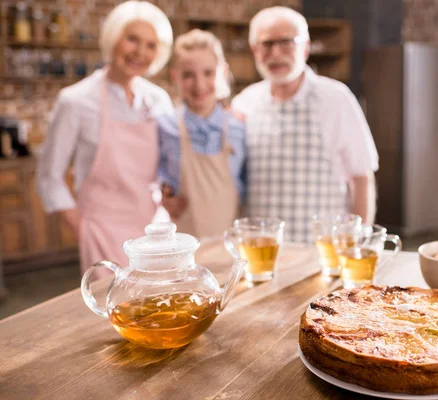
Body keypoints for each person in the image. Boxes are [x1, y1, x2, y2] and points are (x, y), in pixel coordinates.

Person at [36, 1, 174, 274]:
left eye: (150, 45)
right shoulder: (75, 101)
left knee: (160, 310)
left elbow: (170, 163)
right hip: (101, 233)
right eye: (132, 39)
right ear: (113, 38)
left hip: (155, 231)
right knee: (112, 312)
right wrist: (82, 228)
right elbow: (49, 176)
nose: (140, 52)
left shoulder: (159, 100)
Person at [232, 6, 379, 243]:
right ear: (254, 49)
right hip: (262, 254)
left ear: (306, 47)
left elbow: (362, 177)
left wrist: (356, 243)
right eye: (267, 44)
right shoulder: (244, 102)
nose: (276, 53)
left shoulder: (336, 99)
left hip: (324, 252)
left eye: (287, 42)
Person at [157, 29, 246, 238]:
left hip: (233, 246)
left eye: (208, 73)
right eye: (188, 75)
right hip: (182, 245)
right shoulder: (166, 126)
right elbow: (154, 176)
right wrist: (164, 193)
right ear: (174, 76)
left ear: (223, 72)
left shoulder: (238, 125)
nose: (199, 85)